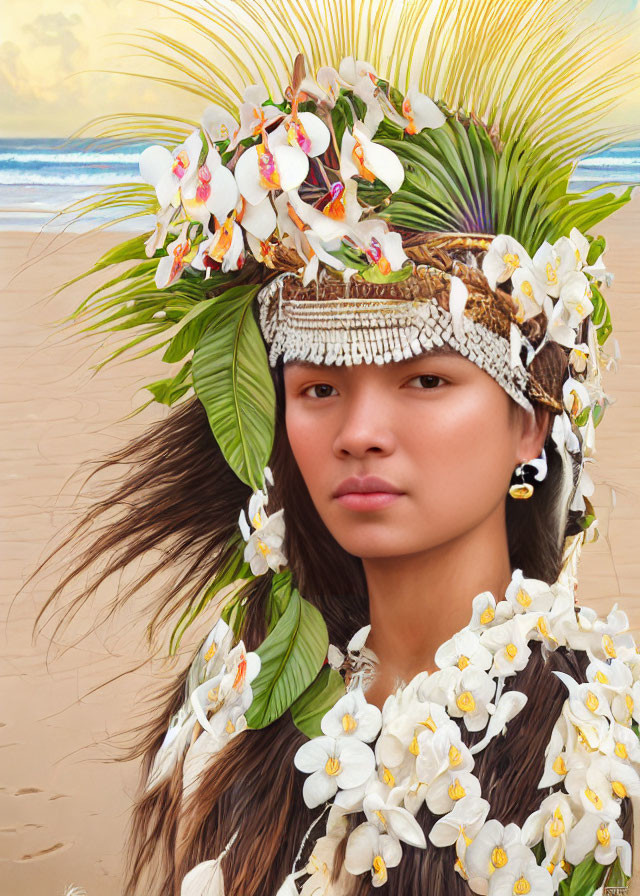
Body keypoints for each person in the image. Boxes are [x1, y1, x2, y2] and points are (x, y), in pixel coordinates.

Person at [38, 0, 640, 894]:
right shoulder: (232, 695)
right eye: (318, 388)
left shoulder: (604, 736)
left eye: (426, 380)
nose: (358, 434)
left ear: (532, 419)